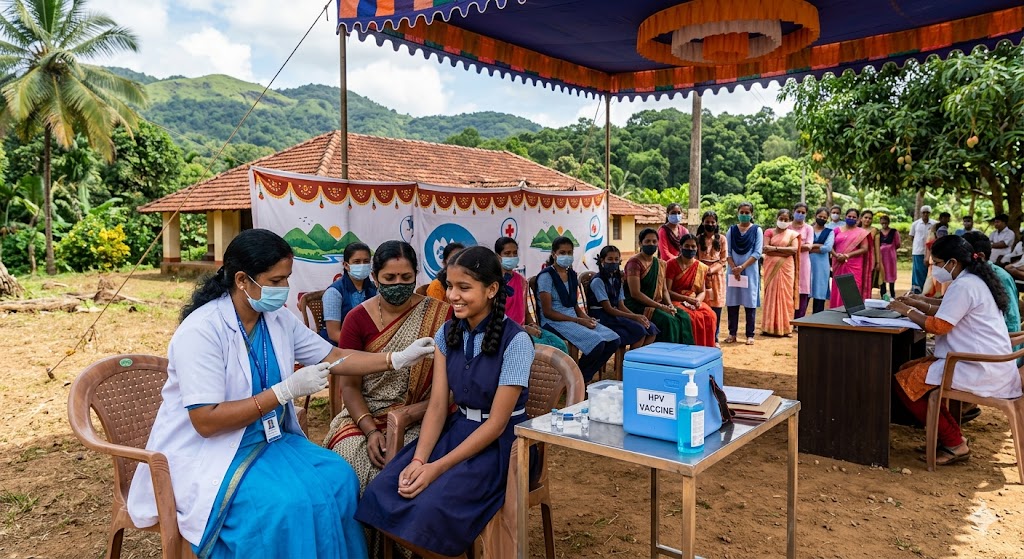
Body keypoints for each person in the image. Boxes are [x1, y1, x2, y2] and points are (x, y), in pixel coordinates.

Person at [125, 229, 437, 559]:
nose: (283, 290)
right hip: (216, 451)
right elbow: (206, 421)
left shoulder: (275, 318)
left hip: (269, 440)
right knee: (288, 503)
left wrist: (395, 359)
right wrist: (283, 392)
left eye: (286, 279)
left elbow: (332, 357)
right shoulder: (202, 331)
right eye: (275, 281)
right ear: (243, 280)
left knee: (340, 477)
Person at [356, 246, 535, 557]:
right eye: (450, 286)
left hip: (499, 448)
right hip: (456, 431)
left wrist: (436, 469)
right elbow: (438, 407)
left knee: (431, 507)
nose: (453, 295)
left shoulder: (517, 342)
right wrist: (418, 461)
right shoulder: (447, 333)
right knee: (382, 491)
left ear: (492, 289)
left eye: (464, 287)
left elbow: (496, 424)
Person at [323, 240, 451, 497]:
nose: (398, 284)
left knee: (408, 474)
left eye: (406, 277)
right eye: (389, 278)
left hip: (423, 417)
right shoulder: (357, 319)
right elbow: (349, 387)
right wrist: (370, 430)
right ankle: (360, 538)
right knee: (349, 469)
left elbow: (451, 385)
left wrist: (408, 417)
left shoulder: (441, 314)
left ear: (416, 275)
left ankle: (401, 537)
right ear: (375, 277)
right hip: (364, 416)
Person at [888, 235, 1022, 465]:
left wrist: (906, 311)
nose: (935, 269)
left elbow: (939, 326)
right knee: (907, 369)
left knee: (904, 382)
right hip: (986, 362)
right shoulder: (974, 279)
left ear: (952, 262)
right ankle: (950, 435)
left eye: (937, 264)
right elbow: (948, 307)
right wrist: (918, 303)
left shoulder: (966, 284)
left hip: (978, 366)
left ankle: (954, 442)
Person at [537, 236, 620, 382]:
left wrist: (586, 319)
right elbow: (548, 312)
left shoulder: (571, 274)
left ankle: (581, 376)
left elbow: (574, 305)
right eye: (562, 252)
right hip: (553, 321)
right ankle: (577, 378)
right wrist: (578, 321)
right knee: (598, 343)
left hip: (573, 318)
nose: (566, 256)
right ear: (553, 254)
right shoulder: (546, 277)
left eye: (569, 252)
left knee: (614, 340)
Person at [494, 236, 569, 354]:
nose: (512, 257)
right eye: (507, 254)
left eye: (514, 253)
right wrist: (524, 329)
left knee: (560, 345)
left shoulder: (521, 281)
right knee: (548, 350)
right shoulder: (493, 283)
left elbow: (524, 311)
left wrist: (533, 325)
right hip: (503, 332)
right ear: (498, 256)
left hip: (523, 328)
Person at [625, 228, 694, 345]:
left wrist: (670, 305)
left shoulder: (661, 264)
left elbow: (664, 289)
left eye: (654, 241)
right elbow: (635, 293)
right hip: (637, 306)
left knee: (683, 317)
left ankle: (683, 356)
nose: (651, 244)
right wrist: (661, 307)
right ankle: (664, 356)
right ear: (640, 243)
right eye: (647, 242)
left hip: (657, 304)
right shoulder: (634, 263)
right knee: (668, 321)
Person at [586, 245, 658, 348]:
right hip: (602, 316)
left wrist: (638, 317)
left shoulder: (618, 279)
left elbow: (621, 305)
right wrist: (635, 317)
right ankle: (629, 361)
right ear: (602, 260)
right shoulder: (598, 281)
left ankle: (638, 360)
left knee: (651, 329)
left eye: (616, 259)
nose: (613, 262)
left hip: (615, 314)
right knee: (640, 331)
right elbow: (608, 309)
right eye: (610, 259)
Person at [963, 231, 1021, 338]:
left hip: (999, 343)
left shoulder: (1001, 277)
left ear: (979, 256)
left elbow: (1012, 317)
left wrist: (1011, 350)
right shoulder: (969, 274)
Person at [664, 234, 719, 347]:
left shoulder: (701, 267)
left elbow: (702, 291)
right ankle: (689, 349)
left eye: (693, 246)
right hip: (675, 300)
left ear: (697, 248)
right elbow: (667, 290)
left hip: (693, 301)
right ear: (681, 247)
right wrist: (686, 299)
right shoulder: (671, 264)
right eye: (687, 246)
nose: (690, 249)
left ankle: (705, 348)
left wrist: (697, 301)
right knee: (691, 318)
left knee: (710, 315)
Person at [321, 242, 377, 344]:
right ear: (346, 265)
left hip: (367, 344)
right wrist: (361, 348)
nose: (362, 265)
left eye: (366, 261)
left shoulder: (374, 289)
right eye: (357, 262)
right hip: (338, 347)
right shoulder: (334, 293)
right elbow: (334, 334)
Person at [725, 202, 763, 345]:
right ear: (738, 213)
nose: (744, 215)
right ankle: (732, 333)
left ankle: (750, 334)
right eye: (742, 212)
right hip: (733, 271)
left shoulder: (757, 230)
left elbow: (757, 252)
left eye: (747, 213)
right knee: (732, 302)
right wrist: (734, 267)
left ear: (752, 214)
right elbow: (727, 251)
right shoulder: (732, 230)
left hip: (749, 270)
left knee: (749, 302)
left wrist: (742, 267)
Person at [761, 210, 800, 336]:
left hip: (786, 268)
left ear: (789, 221)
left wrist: (775, 248)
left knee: (786, 296)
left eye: (785, 219)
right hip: (771, 267)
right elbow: (766, 249)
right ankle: (769, 327)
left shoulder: (793, 234)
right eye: (781, 219)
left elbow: (794, 250)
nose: (783, 221)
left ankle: (785, 328)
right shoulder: (769, 232)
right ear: (776, 218)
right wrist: (783, 251)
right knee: (771, 295)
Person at [696, 210, 728, 344]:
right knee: (703, 307)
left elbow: (723, 259)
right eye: (707, 222)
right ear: (703, 223)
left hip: (717, 277)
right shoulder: (698, 239)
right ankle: (704, 337)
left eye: (712, 222)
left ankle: (715, 337)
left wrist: (711, 270)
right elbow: (695, 258)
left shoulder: (721, 239)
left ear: (716, 223)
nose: (710, 224)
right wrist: (704, 270)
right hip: (701, 275)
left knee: (717, 308)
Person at [829, 208, 871, 308]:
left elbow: (864, 249)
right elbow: (829, 245)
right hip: (838, 263)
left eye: (854, 217)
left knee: (853, 288)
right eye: (849, 216)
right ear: (845, 217)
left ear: (858, 219)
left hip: (855, 265)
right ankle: (837, 311)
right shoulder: (836, 230)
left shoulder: (861, 233)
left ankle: (853, 312)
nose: (851, 218)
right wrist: (836, 255)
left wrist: (847, 255)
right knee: (838, 288)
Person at [809, 207, 835, 314]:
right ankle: (799, 320)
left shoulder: (829, 232)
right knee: (805, 291)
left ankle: (816, 319)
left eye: (825, 217)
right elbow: (802, 246)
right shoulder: (808, 229)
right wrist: (818, 245)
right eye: (820, 216)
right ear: (816, 216)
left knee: (820, 291)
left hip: (822, 265)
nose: (822, 219)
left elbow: (827, 248)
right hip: (808, 264)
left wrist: (810, 247)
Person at [791, 202, 814, 319]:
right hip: (788, 262)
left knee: (803, 290)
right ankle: (787, 319)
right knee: (788, 288)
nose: (800, 214)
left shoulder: (809, 228)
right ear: (793, 212)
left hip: (804, 263)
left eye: (803, 213)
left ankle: (799, 319)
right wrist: (801, 246)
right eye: (798, 212)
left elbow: (809, 246)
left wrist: (792, 247)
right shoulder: (787, 227)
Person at [909, 206, 933, 293]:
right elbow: (912, 236)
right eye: (924, 212)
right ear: (921, 213)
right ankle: (916, 290)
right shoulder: (915, 224)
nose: (925, 214)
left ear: (930, 213)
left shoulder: (934, 223)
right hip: (918, 251)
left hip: (930, 252)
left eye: (927, 212)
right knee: (918, 271)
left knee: (928, 271)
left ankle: (926, 291)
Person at [860, 209, 882, 300]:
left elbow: (876, 247)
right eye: (865, 217)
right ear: (861, 218)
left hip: (870, 258)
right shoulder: (856, 230)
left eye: (870, 218)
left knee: (868, 281)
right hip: (858, 258)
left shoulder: (874, 231)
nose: (867, 220)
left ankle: (866, 300)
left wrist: (878, 262)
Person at [878, 214, 901, 299]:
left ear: (888, 222)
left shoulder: (894, 232)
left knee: (891, 273)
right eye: (882, 222)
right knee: (882, 274)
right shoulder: (878, 232)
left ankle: (892, 294)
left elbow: (898, 244)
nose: (884, 224)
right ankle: (883, 294)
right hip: (881, 257)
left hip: (890, 257)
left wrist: (889, 248)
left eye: (885, 222)